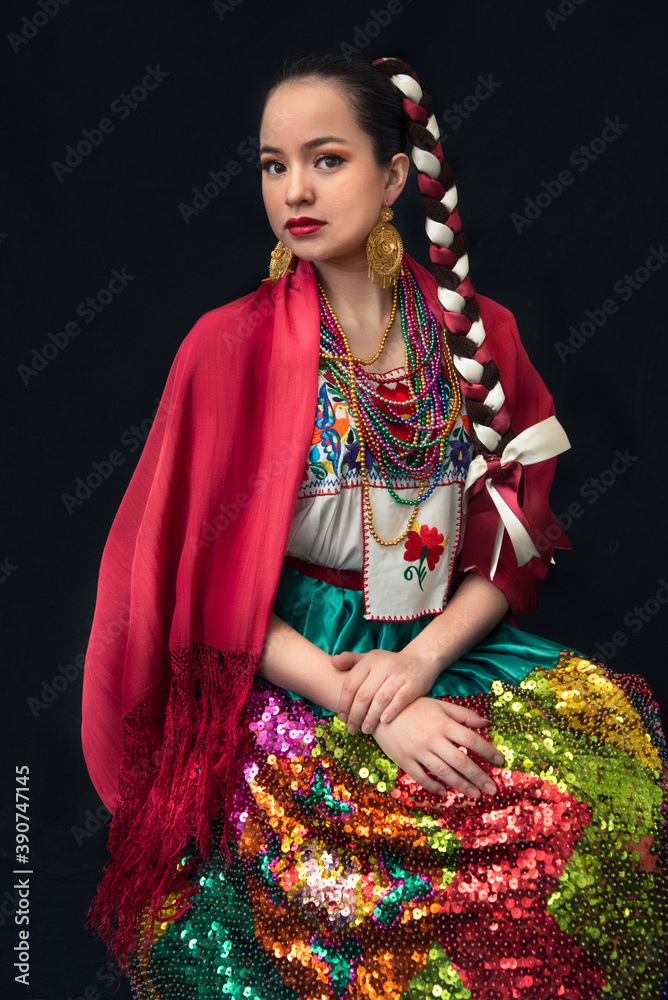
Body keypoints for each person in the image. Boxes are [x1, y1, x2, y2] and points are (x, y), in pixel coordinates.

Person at [82, 54, 668, 999]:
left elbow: (509, 553)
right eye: (275, 165)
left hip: (438, 644)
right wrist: (373, 705)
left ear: (394, 176)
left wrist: (422, 666)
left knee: (591, 786)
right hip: (299, 668)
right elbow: (206, 590)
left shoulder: (481, 337)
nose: (296, 190)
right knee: (355, 874)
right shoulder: (226, 349)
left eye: (327, 159)